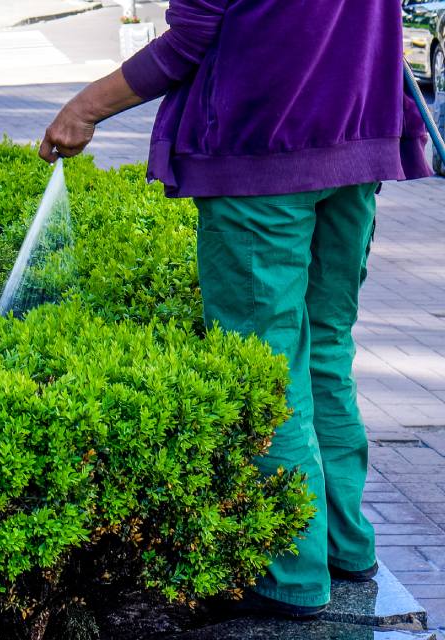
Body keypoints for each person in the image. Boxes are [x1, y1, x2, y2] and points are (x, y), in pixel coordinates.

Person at [40, 0, 432, 619]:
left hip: (260, 160)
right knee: (326, 350)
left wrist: (82, 109)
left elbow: (187, 41)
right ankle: (344, 548)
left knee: (267, 366)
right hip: (356, 152)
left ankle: (292, 576)